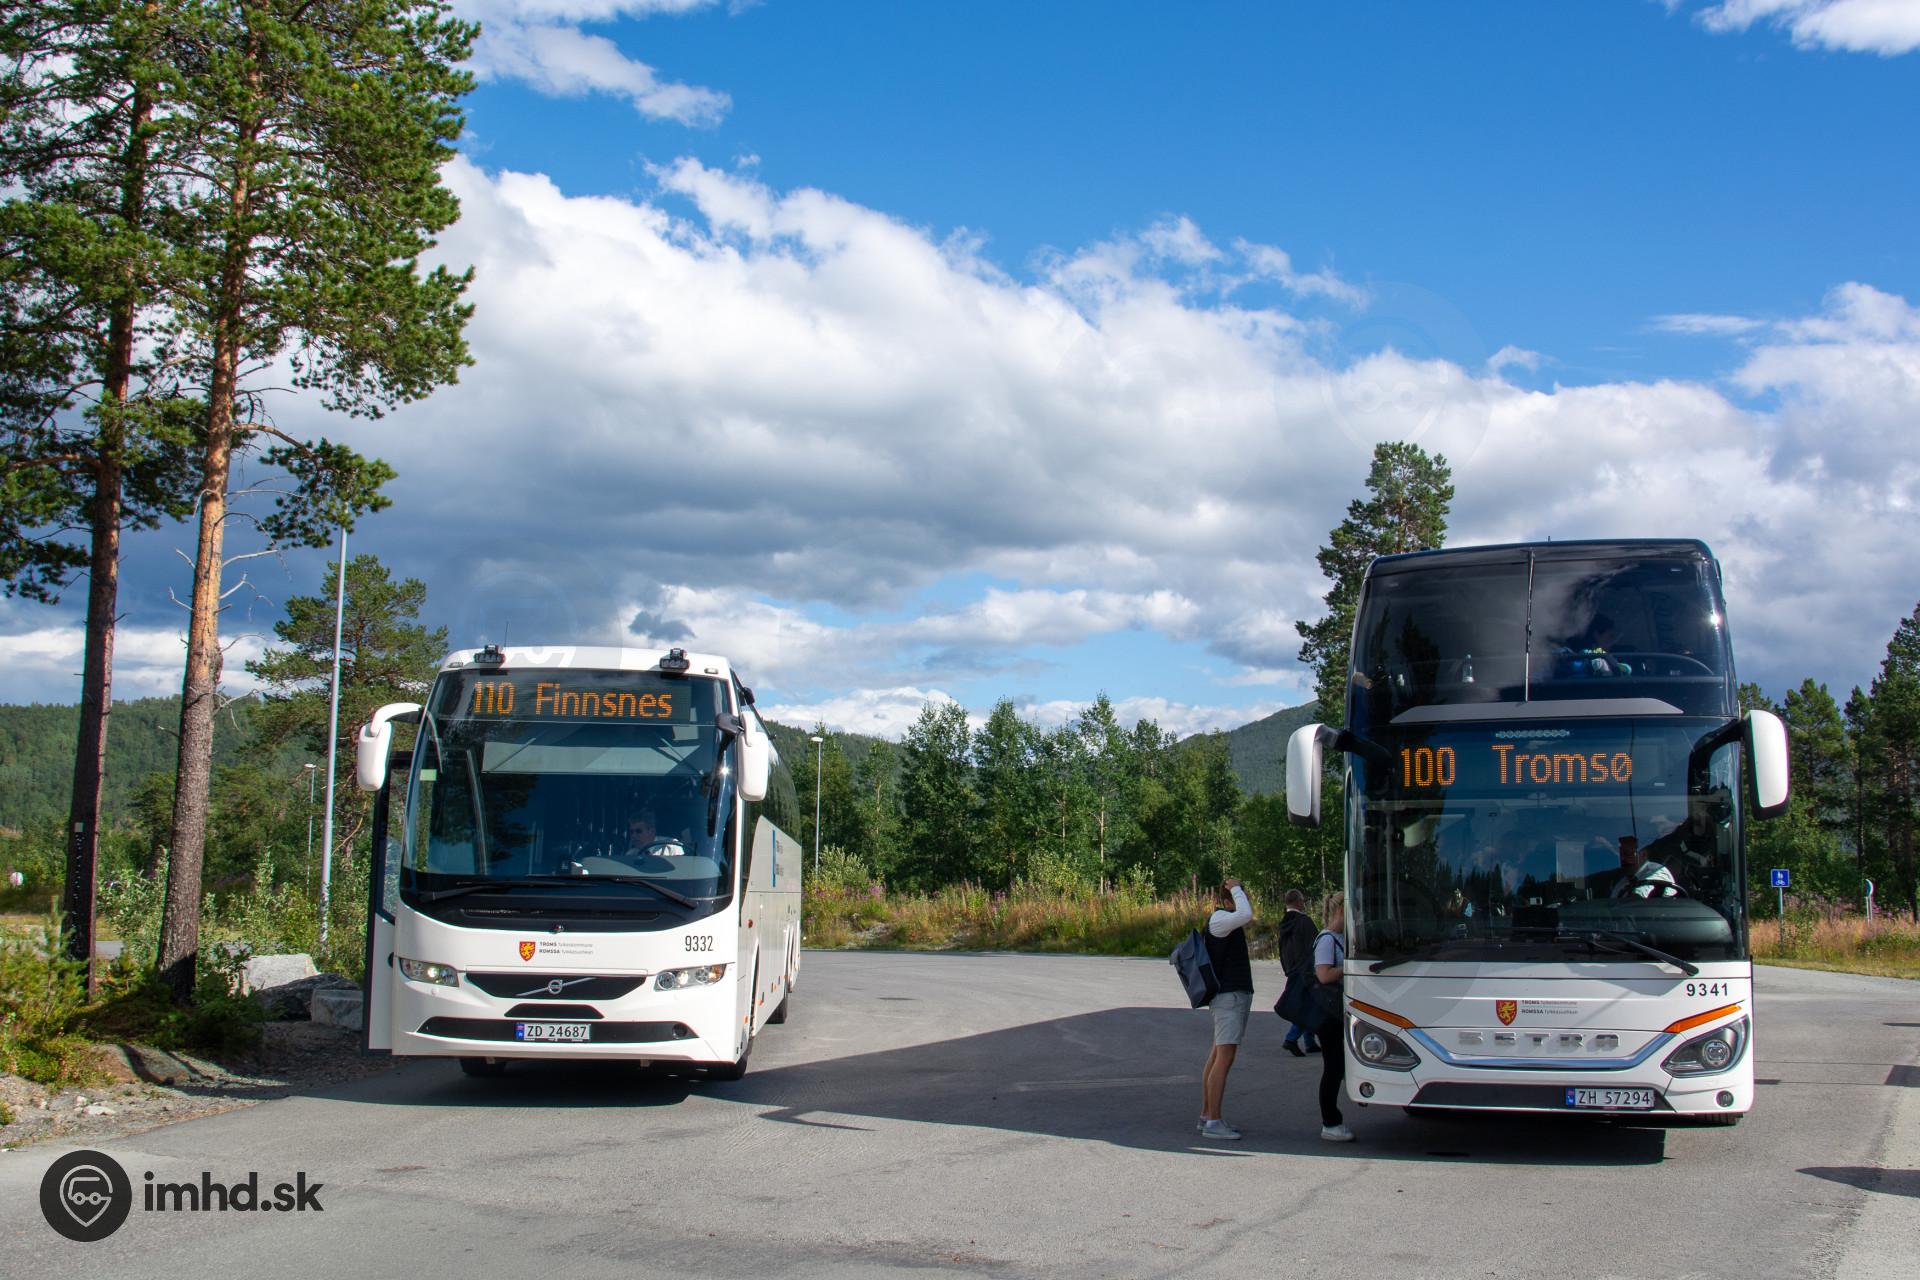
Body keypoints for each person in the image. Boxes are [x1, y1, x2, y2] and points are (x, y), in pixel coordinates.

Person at [1197, 878, 1255, 1141]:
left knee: (1217, 1056)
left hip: (1231, 997)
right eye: (1242, 897)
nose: (1246, 901)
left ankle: (1207, 1114)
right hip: (1228, 999)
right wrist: (1236, 888)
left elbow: (1244, 914)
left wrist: (1236, 892)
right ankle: (1213, 1122)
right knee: (1224, 1058)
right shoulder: (1220, 919)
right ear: (1229, 900)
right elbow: (1246, 914)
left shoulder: (1225, 921)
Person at [1314, 892, 1354, 1142]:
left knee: (1338, 1065)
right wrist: (1349, 967)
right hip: (1327, 1012)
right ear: (1341, 911)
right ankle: (1330, 1122)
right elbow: (1323, 975)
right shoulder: (1327, 939)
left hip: (1338, 1010)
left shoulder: (1340, 937)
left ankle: (1332, 1120)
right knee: (1333, 1067)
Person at [1277, 889, 1320, 1056]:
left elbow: (1282, 949)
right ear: (1298, 902)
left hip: (1292, 968)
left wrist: (1287, 968)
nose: (1303, 903)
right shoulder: (1304, 921)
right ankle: (1291, 1038)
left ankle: (1309, 1041)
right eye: (1302, 900)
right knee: (1308, 1003)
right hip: (1305, 969)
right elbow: (1315, 945)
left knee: (1307, 1002)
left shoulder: (1284, 923)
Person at [1610, 833, 1678, 898]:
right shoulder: (1623, 882)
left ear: (1643, 854)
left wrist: (1635, 896)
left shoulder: (1656, 871)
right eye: (1621, 855)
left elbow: (1638, 897)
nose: (1623, 859)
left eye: (1628, 854)